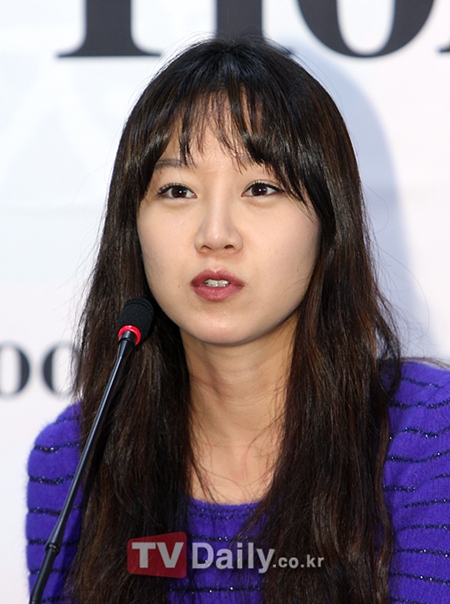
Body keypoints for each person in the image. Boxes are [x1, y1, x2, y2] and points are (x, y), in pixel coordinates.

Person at [26, 37, 450, 603]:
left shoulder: (427, 436)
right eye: (178, 190)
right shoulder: (74, 459)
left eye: (261, 188)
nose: (215, 234)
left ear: (329, 223)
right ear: (133, 227)